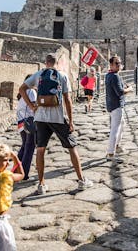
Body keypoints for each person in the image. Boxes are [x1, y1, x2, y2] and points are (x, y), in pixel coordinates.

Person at [19, 53, 93, 195]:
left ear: (45, 62)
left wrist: (32, 106)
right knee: (72, 147)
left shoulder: (39, 74)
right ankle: (82, 180)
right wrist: (71, 121)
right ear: (57, 63)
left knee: (40, 150)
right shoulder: (62, 76)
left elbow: (21, 89)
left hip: (40, 117)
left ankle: (41, 185)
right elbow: (67, 100)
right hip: (58, 117)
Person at [105, 56, 132, 160]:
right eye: (116, 63)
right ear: (111, 65)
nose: (119, 65)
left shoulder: (109, 75)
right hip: (116, 105)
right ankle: (111, 153)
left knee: (121, 124)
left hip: (112, 105)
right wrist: (129, 89)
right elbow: (120, 92)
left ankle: (116, 146)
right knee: (115, 129)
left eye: (120, 63)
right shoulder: (114, 76)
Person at [16, 74, 37, 180]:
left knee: (24, 146)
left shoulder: (21, 95)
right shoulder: (31, 92)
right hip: (29, 122)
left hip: (21, 123)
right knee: (29, 148)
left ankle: (16, 170)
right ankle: (24, 174)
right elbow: (33, 107)